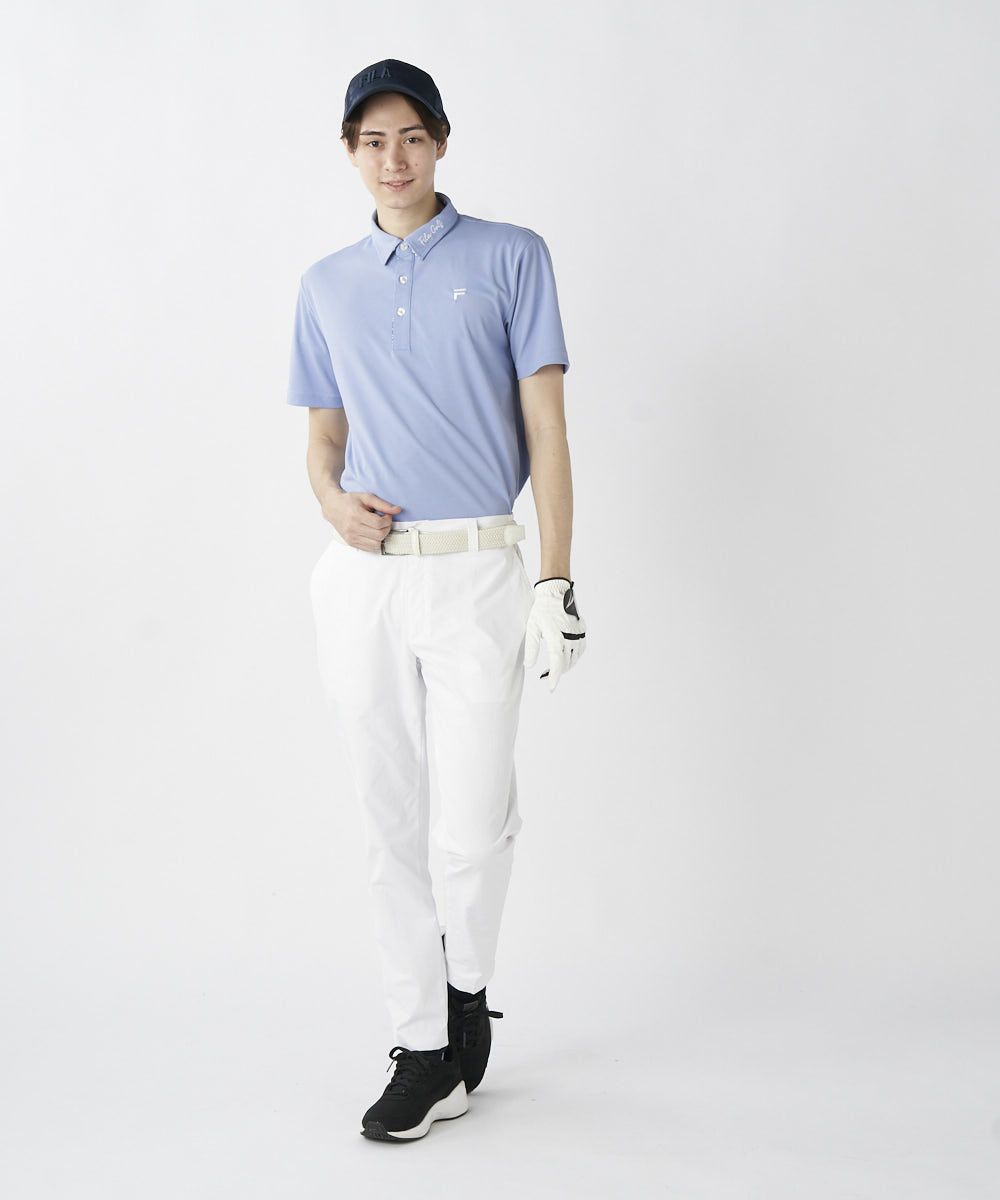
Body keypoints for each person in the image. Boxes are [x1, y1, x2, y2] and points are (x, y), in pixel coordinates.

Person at [286, 58, 587, 1142]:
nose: (393, 159)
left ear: (441, 141)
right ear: (350, 152)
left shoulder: (511, 256)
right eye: (372, 141)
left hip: (477, 569)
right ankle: (420, 1042)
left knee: (470, 825)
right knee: (389, 817)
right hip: (363, 581)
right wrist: (333, 505)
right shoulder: (326, 284)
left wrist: (555, 577)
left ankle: (467, 992)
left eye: (410, 137)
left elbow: (546, 429)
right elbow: (322, 441)